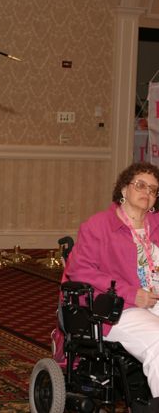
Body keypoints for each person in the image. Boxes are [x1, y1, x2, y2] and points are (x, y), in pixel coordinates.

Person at [64, 161, 159, 410]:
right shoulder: (99, 226)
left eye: (153, 189)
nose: (146, 192)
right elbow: (80, 271)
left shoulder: (157, 226)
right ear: (124, 190)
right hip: (116, 308)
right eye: (140, 185)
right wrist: (131, 293)